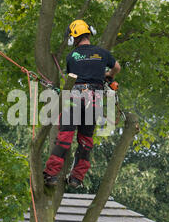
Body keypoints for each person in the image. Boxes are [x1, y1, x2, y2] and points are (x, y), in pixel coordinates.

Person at [43, 19, 121, 188]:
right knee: (86, 140)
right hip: (95, 101)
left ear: (73, 38)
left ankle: (50, 174)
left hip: (75, 98)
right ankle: (77, 178)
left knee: (65, 138)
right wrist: (108, 76)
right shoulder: (102, 53)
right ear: (89, 32)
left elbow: (73, 76)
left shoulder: (72, 56)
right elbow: (117, 68)